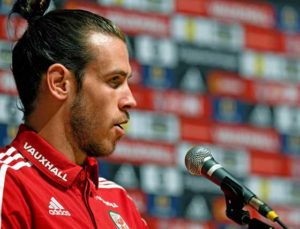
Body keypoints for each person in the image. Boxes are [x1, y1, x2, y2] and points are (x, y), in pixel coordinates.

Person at [0, 0, 147, 228]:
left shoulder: (120, 201)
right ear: (59, 83)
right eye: (114, 81)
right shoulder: (7, 183)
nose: (130, 100)